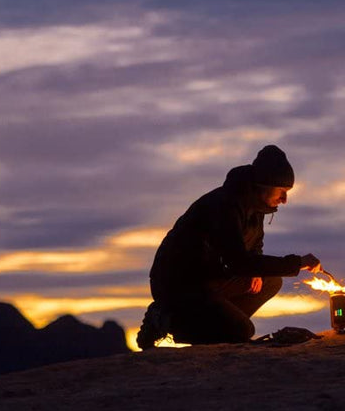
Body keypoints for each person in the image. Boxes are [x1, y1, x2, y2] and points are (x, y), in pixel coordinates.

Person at [137, 145, 321, 349]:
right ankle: (167, 319)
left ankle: (220, 324)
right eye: (282, 191)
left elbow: (253, 246)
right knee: (241, 332)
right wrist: (297, 263)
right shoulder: (225, 205)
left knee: (270, 282)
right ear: (265, 184)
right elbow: (237, 261)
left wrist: (256, 272)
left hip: (212, 278)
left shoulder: (256, 208)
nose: (285, 199)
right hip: (180, 283)